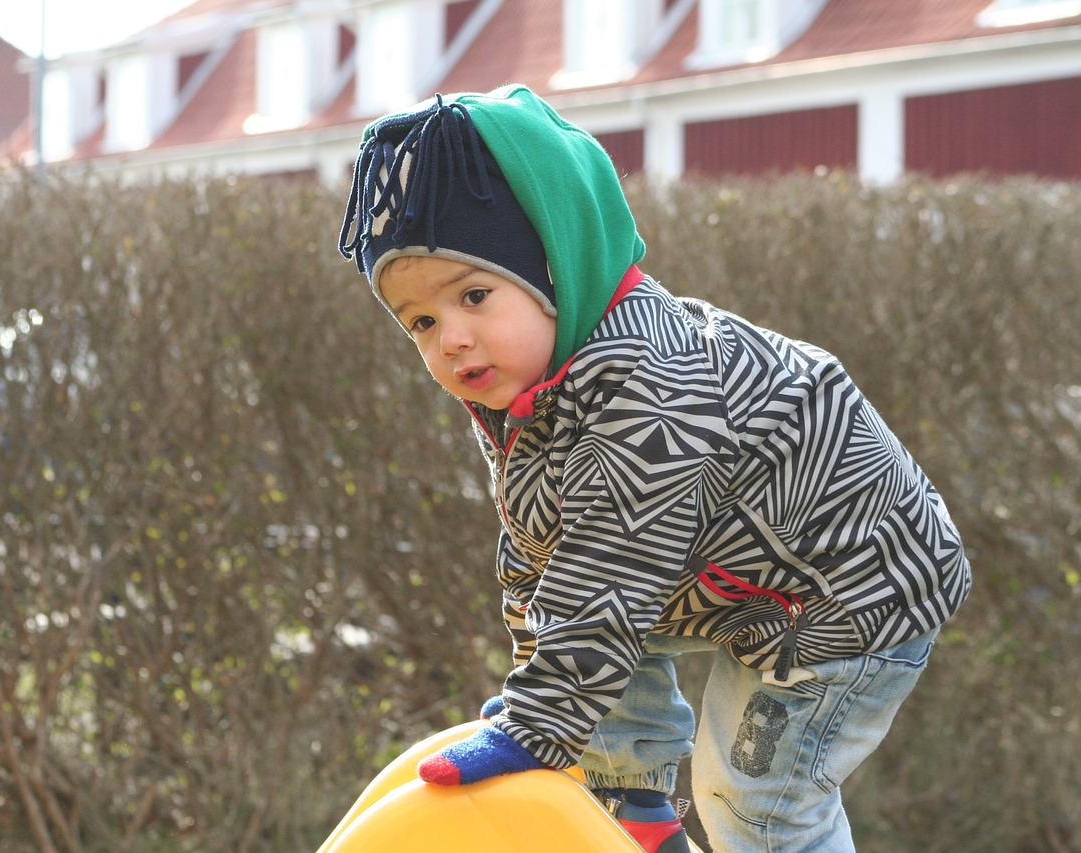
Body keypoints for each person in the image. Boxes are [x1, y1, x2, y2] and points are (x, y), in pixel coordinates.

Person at [336, 84, 971, 853]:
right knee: (589, 637)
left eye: (475, 295)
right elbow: (547, 559)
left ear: (558, 271)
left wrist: (538, 726)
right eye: (423, 322)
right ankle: (634, 809)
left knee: (755, 794)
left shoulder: (652, 390)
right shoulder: (531, 389)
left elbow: (610, 568)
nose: (453, 339)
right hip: (721, 574)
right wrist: (538, 696)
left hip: (852, 591)